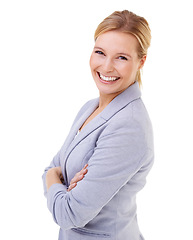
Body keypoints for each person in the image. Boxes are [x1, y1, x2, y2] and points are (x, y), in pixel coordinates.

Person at [42, 10, 154, 240]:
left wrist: (55, 179)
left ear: (141, 61)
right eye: (100, 53)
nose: (106, 66)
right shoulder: (90, 107)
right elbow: (51, 168)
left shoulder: (128, 126)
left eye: (121, 57)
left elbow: (68, 213)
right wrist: (58, 179)